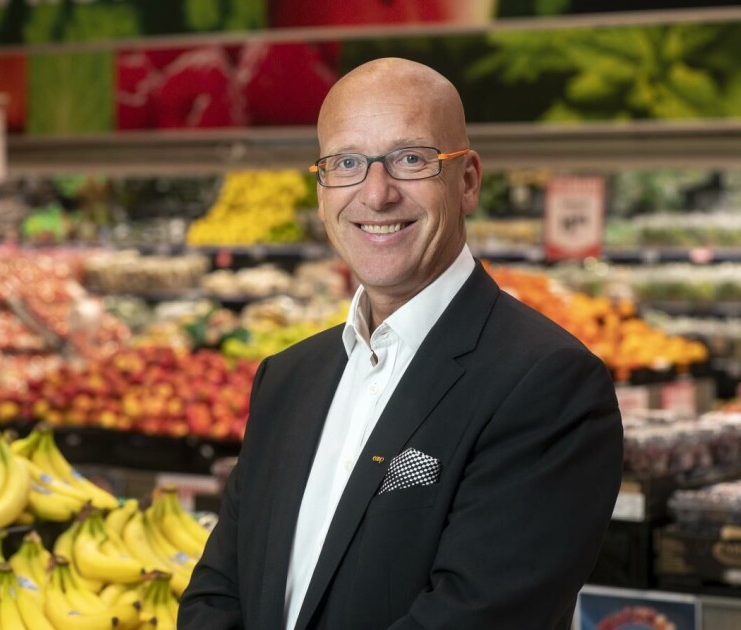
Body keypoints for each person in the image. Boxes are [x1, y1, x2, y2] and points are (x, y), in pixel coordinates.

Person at [179, 57, 623, 630]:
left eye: (410, 159)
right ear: (321, 189)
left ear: (466, 181)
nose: (377, 194)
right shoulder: (287, 378)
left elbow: (475, 617)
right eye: (346, 163)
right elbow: (217, 593)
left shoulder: (548, 383)